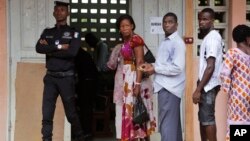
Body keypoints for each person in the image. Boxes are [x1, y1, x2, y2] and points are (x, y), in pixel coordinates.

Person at [35, 1, 84, 141]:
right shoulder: (47, 32)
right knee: (47, 115)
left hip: (66, 79)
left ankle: (80, 138)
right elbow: (38, 48)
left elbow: (72, 52)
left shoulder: (74, 32)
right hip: (50, 78)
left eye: (62, 10)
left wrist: (50, 48)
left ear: (67, 13)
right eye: (57, 10)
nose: (59, 12)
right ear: (53, 12)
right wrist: (60, 47)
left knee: (71, 114)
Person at [140, 12, 186, 141]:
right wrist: (152, 66)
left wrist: (155, 68)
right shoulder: (166, 42)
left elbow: (177, 67)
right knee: (173, 128)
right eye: (165, 22)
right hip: (167, 88)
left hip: (169, 88)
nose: (167, 24)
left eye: (170, 22)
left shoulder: (177, 43)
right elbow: (163, 64)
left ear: (176, 25)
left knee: (167, 127)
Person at [115, 14, 156, 141]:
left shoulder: (136, 40)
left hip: (136, 78)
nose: (125, 28)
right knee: (133, 113)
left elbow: (140, 63)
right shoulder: (126, 41)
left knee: (139, 111)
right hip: (128, 78)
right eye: (122, 26)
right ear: (119, 29)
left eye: (127, 25)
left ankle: (142, 138)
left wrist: (137, 85)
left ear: (132, 26)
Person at [192, 8, 223, 141]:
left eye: (205, 19)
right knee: (204, 119)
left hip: (208, 85)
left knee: (208, 120)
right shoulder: (209, 37)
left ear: (212, 20)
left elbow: (210, 66)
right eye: (200, 19)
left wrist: (198, 89)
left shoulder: (212, 38)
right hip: (206, 84)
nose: (201, 22)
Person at [220, 24, 250, 141]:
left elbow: (224, 72)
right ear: (247, 39)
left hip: (238, 95)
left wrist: (226, 88)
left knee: (237, 123)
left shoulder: (232, 53)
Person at [75, 47, 98, 139]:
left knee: (85, 109)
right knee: (87, 108)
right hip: (90, 83)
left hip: (85, 84)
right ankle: (86, 132)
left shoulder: (77, 54)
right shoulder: (84, 54)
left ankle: (85, 132)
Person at [106, 43, 123, 140]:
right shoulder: (140, 45)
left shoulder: (118, 47)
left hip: (121, 82)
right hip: (135, 81)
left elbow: (111, 65)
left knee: (120, 112)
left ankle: (120, 137)